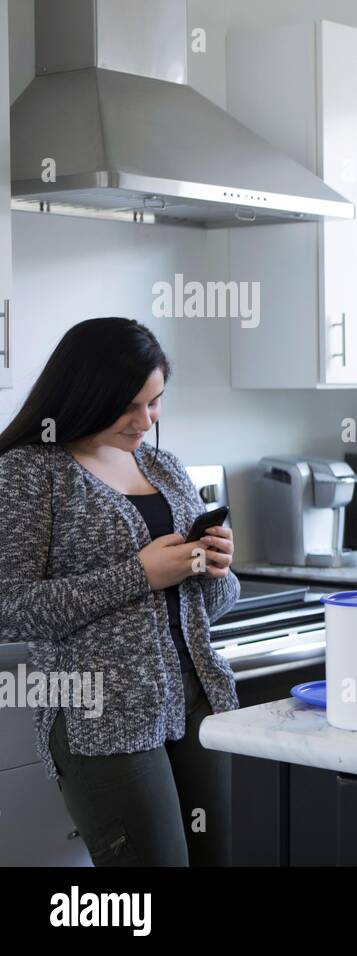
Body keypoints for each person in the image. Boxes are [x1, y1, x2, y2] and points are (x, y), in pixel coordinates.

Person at [0, 318, 240, 865]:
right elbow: (7, 608)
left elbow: (208, 608)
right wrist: (140, 574)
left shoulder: (162, 465)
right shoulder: (29, 472)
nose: (145, 420)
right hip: (102, 712)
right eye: (130, 406)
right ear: (84, 396)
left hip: (198, 697)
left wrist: (217, 570)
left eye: (155, 403)